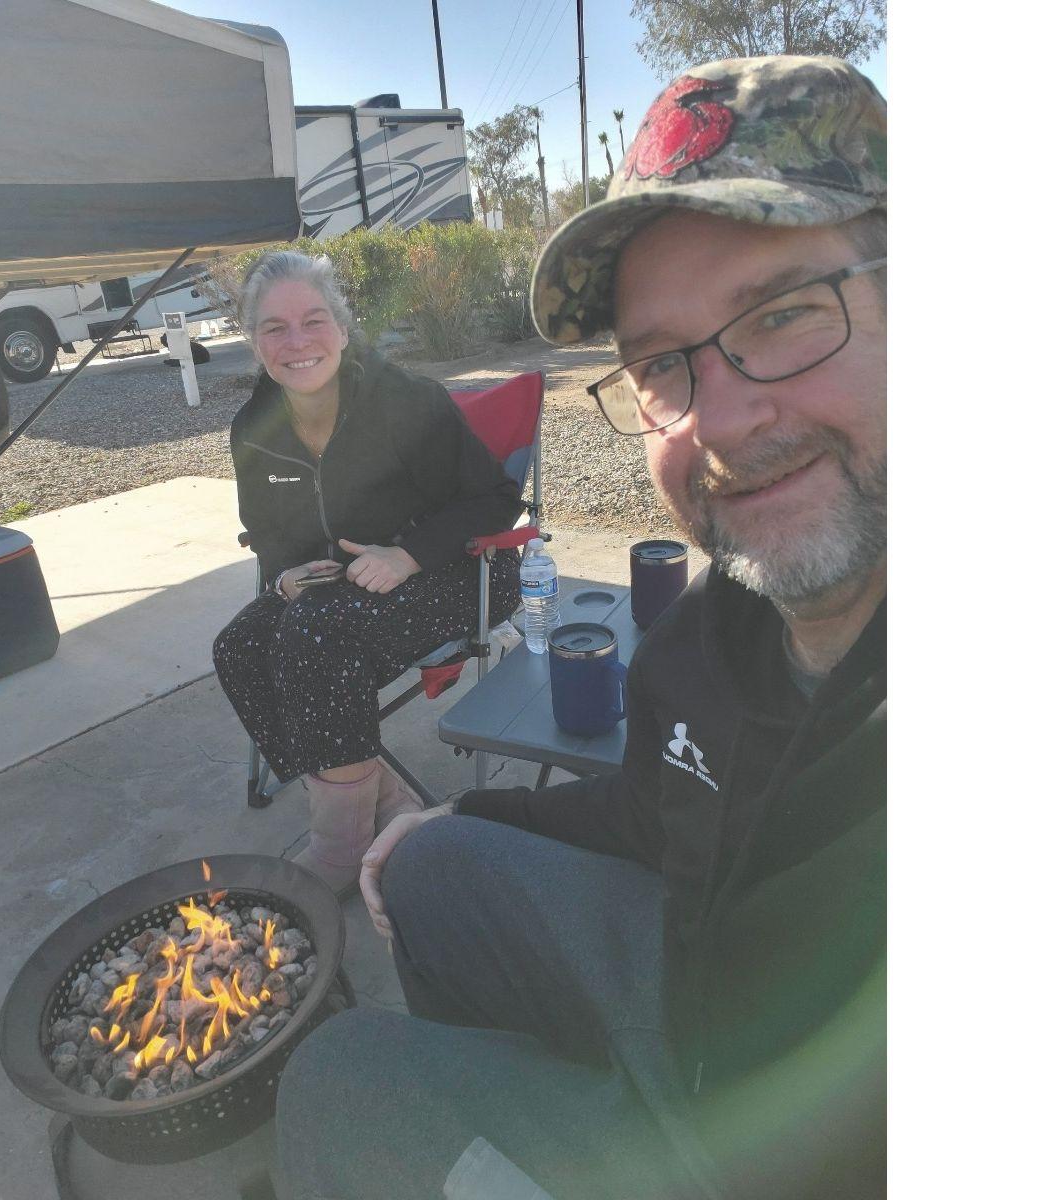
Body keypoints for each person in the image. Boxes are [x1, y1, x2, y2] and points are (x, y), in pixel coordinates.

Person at [276, 55, 887, 1200]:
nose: (720, 420)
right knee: (431, 861)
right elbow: (655, 811)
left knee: (339, 1081)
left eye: (784, 314)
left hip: (776, 1143)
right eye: (662, 363)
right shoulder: (710, 638)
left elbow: (475, 504)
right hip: (697, 979)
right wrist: (465, 811)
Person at [213, 251, 523, 894]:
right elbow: (265, 530)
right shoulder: (253, 429)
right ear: (254, 342)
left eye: (313, 320)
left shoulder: (405, 401)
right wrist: (283, 575)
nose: (297, 342)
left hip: (457, 573)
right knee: (239, 647)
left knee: (313, 638)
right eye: (274, 328)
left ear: (343, 325)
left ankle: (338, 849)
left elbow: (497, 499)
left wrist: (407, 555)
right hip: (331, 592)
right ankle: (385, 803)